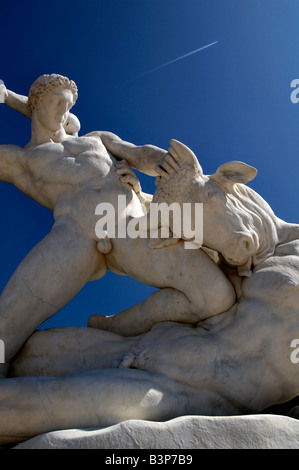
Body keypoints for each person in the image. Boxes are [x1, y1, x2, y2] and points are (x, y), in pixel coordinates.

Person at [0, 74, 235, 377]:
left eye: (68, 104)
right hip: (74, 235)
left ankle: (115, 327)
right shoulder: (19, 159)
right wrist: (6, 97)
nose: (63, 110)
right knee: (7, 324)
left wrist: (165, 162)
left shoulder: (97, 139)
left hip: (129, 225)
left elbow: (138, 153)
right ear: (36, 104)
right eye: (56, 102)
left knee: (216, 296)